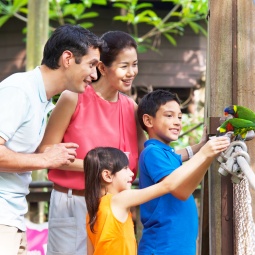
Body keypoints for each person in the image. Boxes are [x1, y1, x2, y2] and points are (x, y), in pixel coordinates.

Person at [37, 30, 147, 255]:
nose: (131, 72)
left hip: (114, 210)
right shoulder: (73, 98)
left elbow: (149, 157)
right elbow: (45, 151)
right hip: (73, 203)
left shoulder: (132, 109)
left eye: (134, 64)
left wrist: (194, 151)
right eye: (124, 66)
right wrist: (97, 168)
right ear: (102, 68)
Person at [0, 24, 103, 255]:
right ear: (68, 58)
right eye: (91, 65)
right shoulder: (19, 90)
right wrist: (46, 159)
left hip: (12, 216)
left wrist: (45, 157)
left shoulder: (41, 100)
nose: (95, 75)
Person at [84, 141, 229, 255]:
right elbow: (167, 185)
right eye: (125, 169)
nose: (131, 174)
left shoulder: (92, 212)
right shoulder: (119, 200)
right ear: (107, 175)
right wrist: (203, 154)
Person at [136, 89, 230, 255]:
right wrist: (205, 155)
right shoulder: (152, 152)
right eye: (169, 115)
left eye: (179, 116)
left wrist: (201, 146)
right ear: (148, 120)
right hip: (162, 247)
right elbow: (181, 190)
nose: (177, 122)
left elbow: (179, 155)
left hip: (178, 246)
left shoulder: (166, 153)